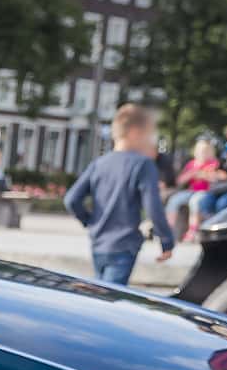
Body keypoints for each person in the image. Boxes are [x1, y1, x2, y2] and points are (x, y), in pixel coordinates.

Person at [63, 103, 174, 286]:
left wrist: (90, 222)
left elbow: (71, 199)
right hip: (124, 243)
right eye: (149, 136)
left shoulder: (99, 164)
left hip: (98, 242)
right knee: (108, 300)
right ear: (135, 133)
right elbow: (153, 207)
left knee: (100, 291)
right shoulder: (143, 165)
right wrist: (167, 240)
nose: (150, 142)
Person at [165, 139, 222, 240]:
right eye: (201, 151)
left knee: (195, 202)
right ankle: (169, 228)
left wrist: (203, 175)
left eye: (205, 151)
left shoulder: (213, 163)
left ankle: (192, 230)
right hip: (191, 191)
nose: (203, 153)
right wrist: (191, 174)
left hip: (206, 191)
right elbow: (180, 180)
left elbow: (217, 177)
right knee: (174, 200)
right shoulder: (192, 164)